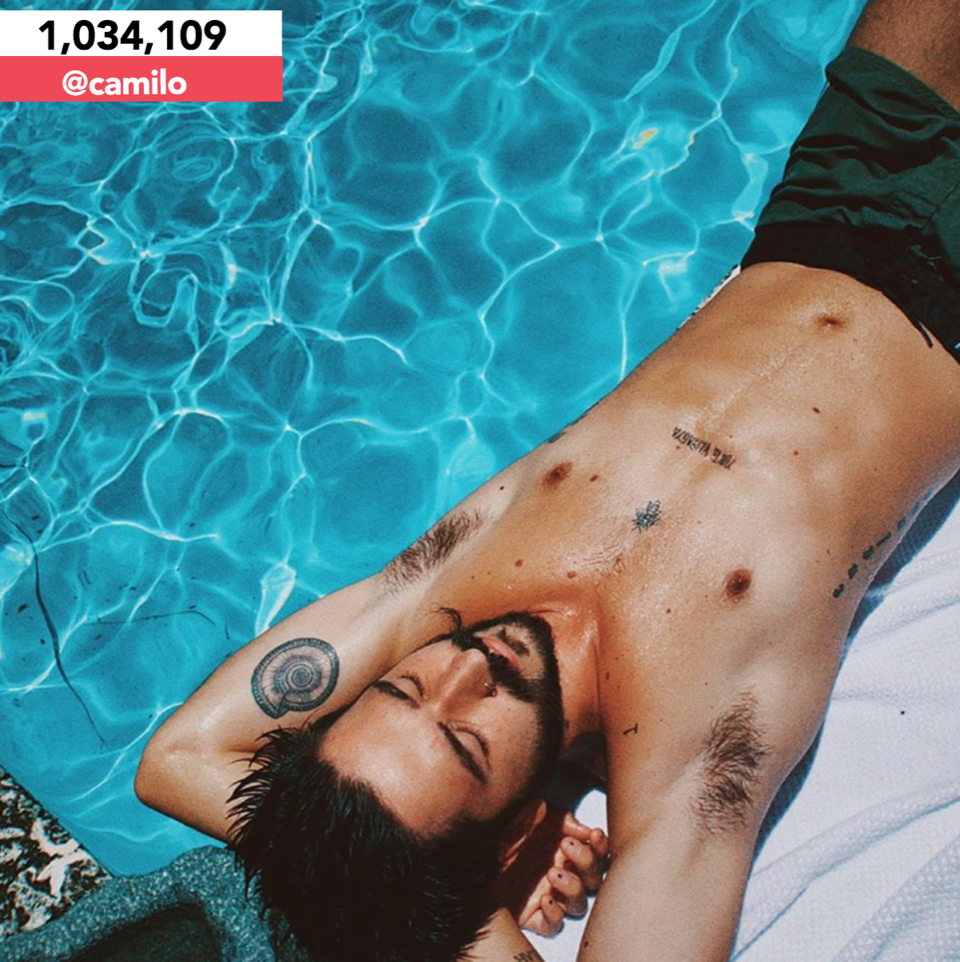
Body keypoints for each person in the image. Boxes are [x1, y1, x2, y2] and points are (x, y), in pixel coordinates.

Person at [135, 0, 960, 958]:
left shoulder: (436, 587)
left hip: (839, 188)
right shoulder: (689, 764)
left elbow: (175, 761)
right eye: (467, 741)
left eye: (403, 691)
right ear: (516, 831)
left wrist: (395, 876)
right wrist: (465, 912)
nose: (466, 670)